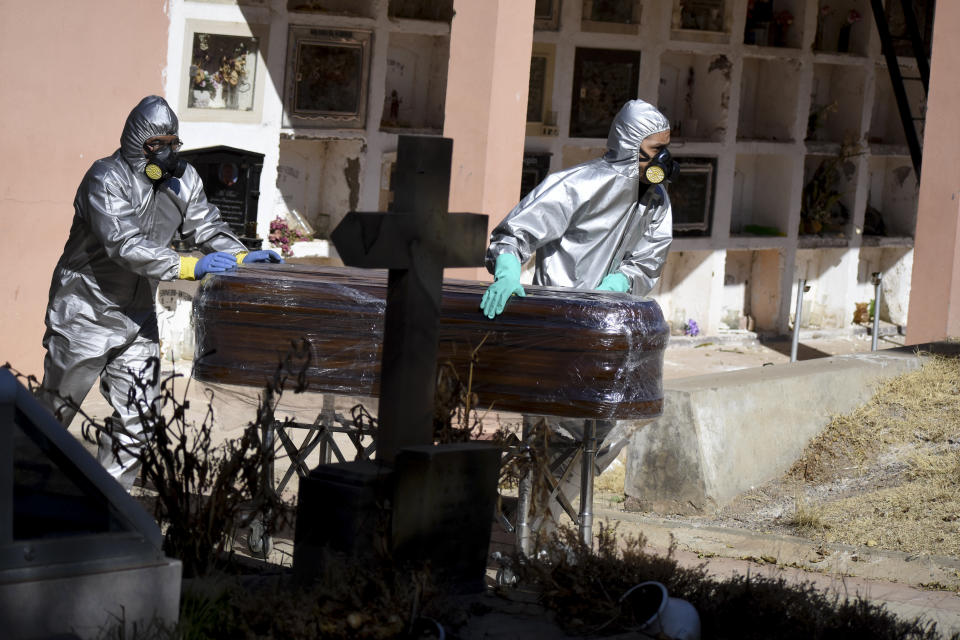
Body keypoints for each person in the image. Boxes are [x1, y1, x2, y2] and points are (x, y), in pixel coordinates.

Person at [38, 95, 283, 490]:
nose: (170, 152)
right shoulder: (105, 178)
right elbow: (124, 244)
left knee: (137, 419)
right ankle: (17, 492)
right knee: (52, 414)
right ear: (137, 142)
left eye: (174, 142)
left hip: (137, 317)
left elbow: (205, 226)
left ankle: (108, 506)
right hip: (85, 312)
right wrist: (189, 267)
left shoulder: (182, 179)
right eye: (160, 144)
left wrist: (242, 257)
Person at [480, 99, 676, 546]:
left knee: (607, 431)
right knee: (552, 436)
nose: (662, 160)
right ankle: (529, 536)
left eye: (666, 148)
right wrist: (508, 267)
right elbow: (516, 232)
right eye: (654, 148)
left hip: (607, 333)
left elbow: (649, 258)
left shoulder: (656, 199)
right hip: (559, 331)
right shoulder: (577, 185)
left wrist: (622, 280)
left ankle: (534, 528)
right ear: (630, 144)